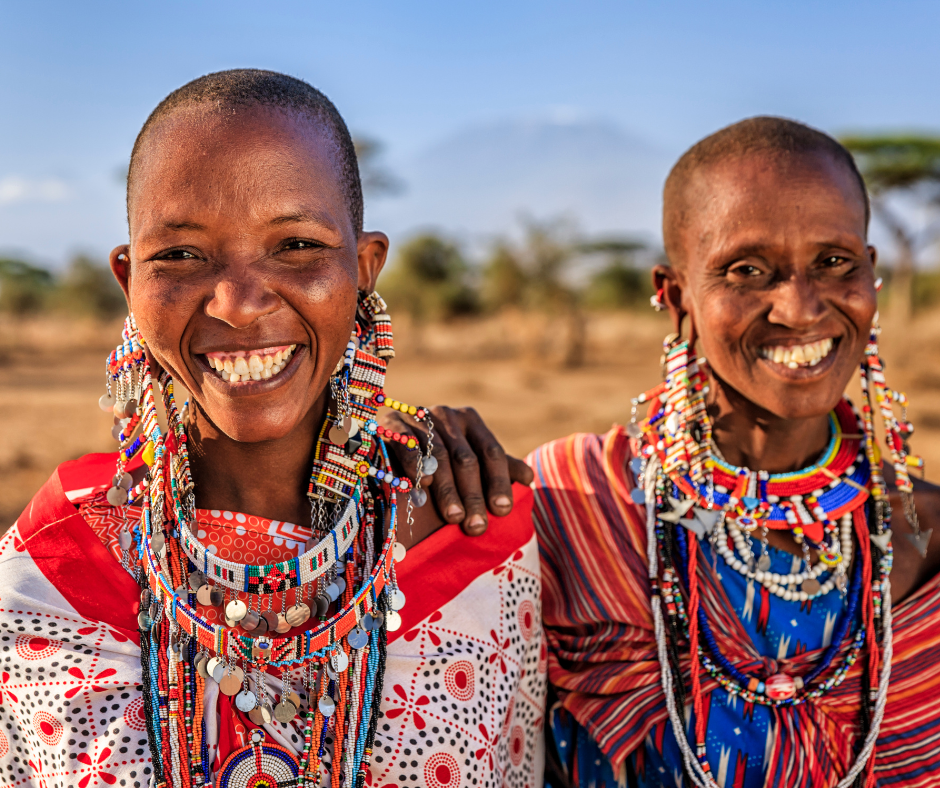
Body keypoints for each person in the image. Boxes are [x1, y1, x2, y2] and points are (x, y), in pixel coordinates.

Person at [0, 69, 545, 788]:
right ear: (128, 278)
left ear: (365, 268)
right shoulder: (50, 574)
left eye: (295, 246)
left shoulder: (474, 540)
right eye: (182, 255)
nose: (238, 304)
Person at [531, 117, 940, 788]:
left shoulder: (925, 536)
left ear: (871, 274)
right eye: (747, 270)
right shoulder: (578, 504)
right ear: (674, 297)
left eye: (834, 263)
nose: (799, 308)